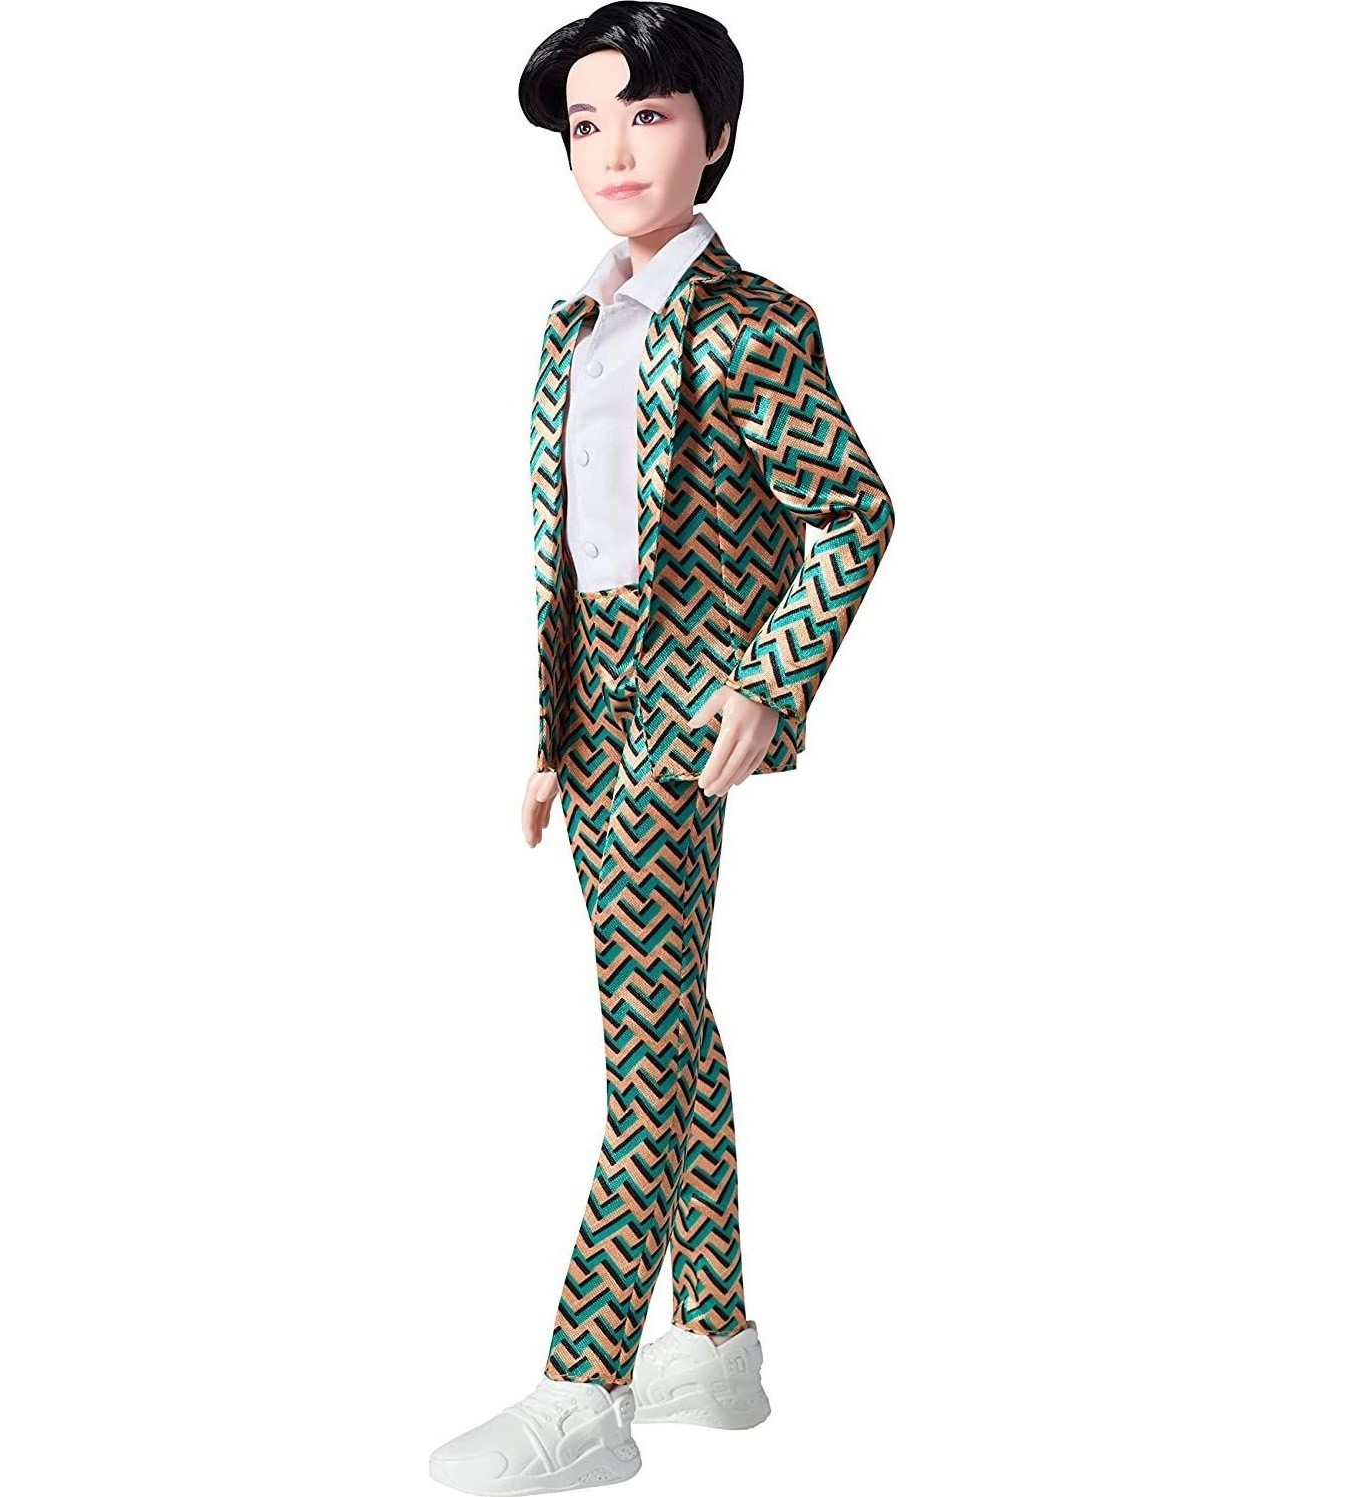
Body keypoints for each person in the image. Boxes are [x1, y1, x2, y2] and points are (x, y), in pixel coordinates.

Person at [430, 6, 895, 1491]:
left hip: (689, 709)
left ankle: (585, 1385)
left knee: (644, 1043)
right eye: (586, 125)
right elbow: (575, 552)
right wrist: (551, 734)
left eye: (647, 114)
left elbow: (854, 510)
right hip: (600, 713)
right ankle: (717, 1341)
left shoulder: (751, 321)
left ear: (715, 131)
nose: (614, 152)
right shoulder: (571, 327)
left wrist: (769, 678)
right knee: (669, 1015)